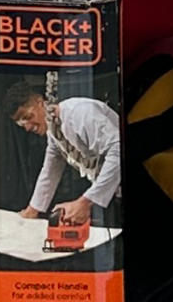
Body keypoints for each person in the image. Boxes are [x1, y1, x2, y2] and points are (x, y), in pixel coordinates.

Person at [15, 80, 121, 227]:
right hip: (115, 194)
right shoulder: (54, 132)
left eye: (28, 117)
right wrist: (32, 210)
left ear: (40, 103)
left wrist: (85, 202)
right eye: (22, 125)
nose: (27, 127)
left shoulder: (80, 113)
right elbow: (50, 171)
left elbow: (118, 149)